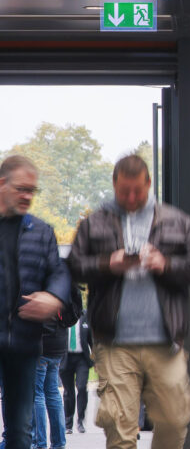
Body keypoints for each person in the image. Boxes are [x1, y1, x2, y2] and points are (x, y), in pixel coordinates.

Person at [66, 154, 190, 449]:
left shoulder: (177, 220)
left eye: (137, 191)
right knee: (119, 429)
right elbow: (75, 266)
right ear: (114, 185)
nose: (130, 197)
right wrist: (108, 263)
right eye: (123, 191)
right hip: (114, 342)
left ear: (149, 184)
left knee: (174, 419)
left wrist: (165, 264)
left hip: (165, 342)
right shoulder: (95, 222)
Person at [0, 156, 71, 449]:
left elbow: (59, 273)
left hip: (25, 344)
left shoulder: (42, 231)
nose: (28, 195)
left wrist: (53, 296)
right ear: (2, 184)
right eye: (21, 189)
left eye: (33, 190)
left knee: (20, 433)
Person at [33, 316, 69, 449]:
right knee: (53, 391)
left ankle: (39, 443)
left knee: (37, 394)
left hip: (41, 341)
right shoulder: (67, 294)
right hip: (58, 342)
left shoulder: (43, 293)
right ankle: (59, 443)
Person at [61, 305, 93, 434]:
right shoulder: (62, 315)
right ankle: (68, 423)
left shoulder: (85, 317)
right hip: (66, 359)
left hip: (82, 359)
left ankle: (80, 420)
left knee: (81, 387)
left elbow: (91, 338)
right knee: (68, 391)